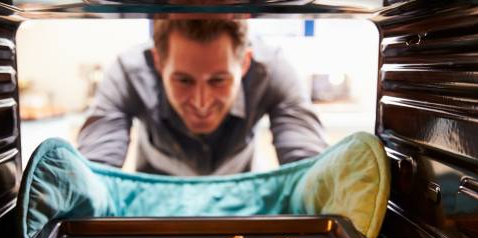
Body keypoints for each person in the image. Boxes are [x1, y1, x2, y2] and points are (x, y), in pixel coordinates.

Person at [77, 19, 327, 176]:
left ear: (244, 63)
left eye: (218, 80)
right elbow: (95, 171)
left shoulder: (272, 70)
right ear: (158, 62)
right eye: (183, 80)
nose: (201, 102)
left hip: (244, 216)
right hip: (154, 221)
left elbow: (310, 169)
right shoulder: (128, 71)